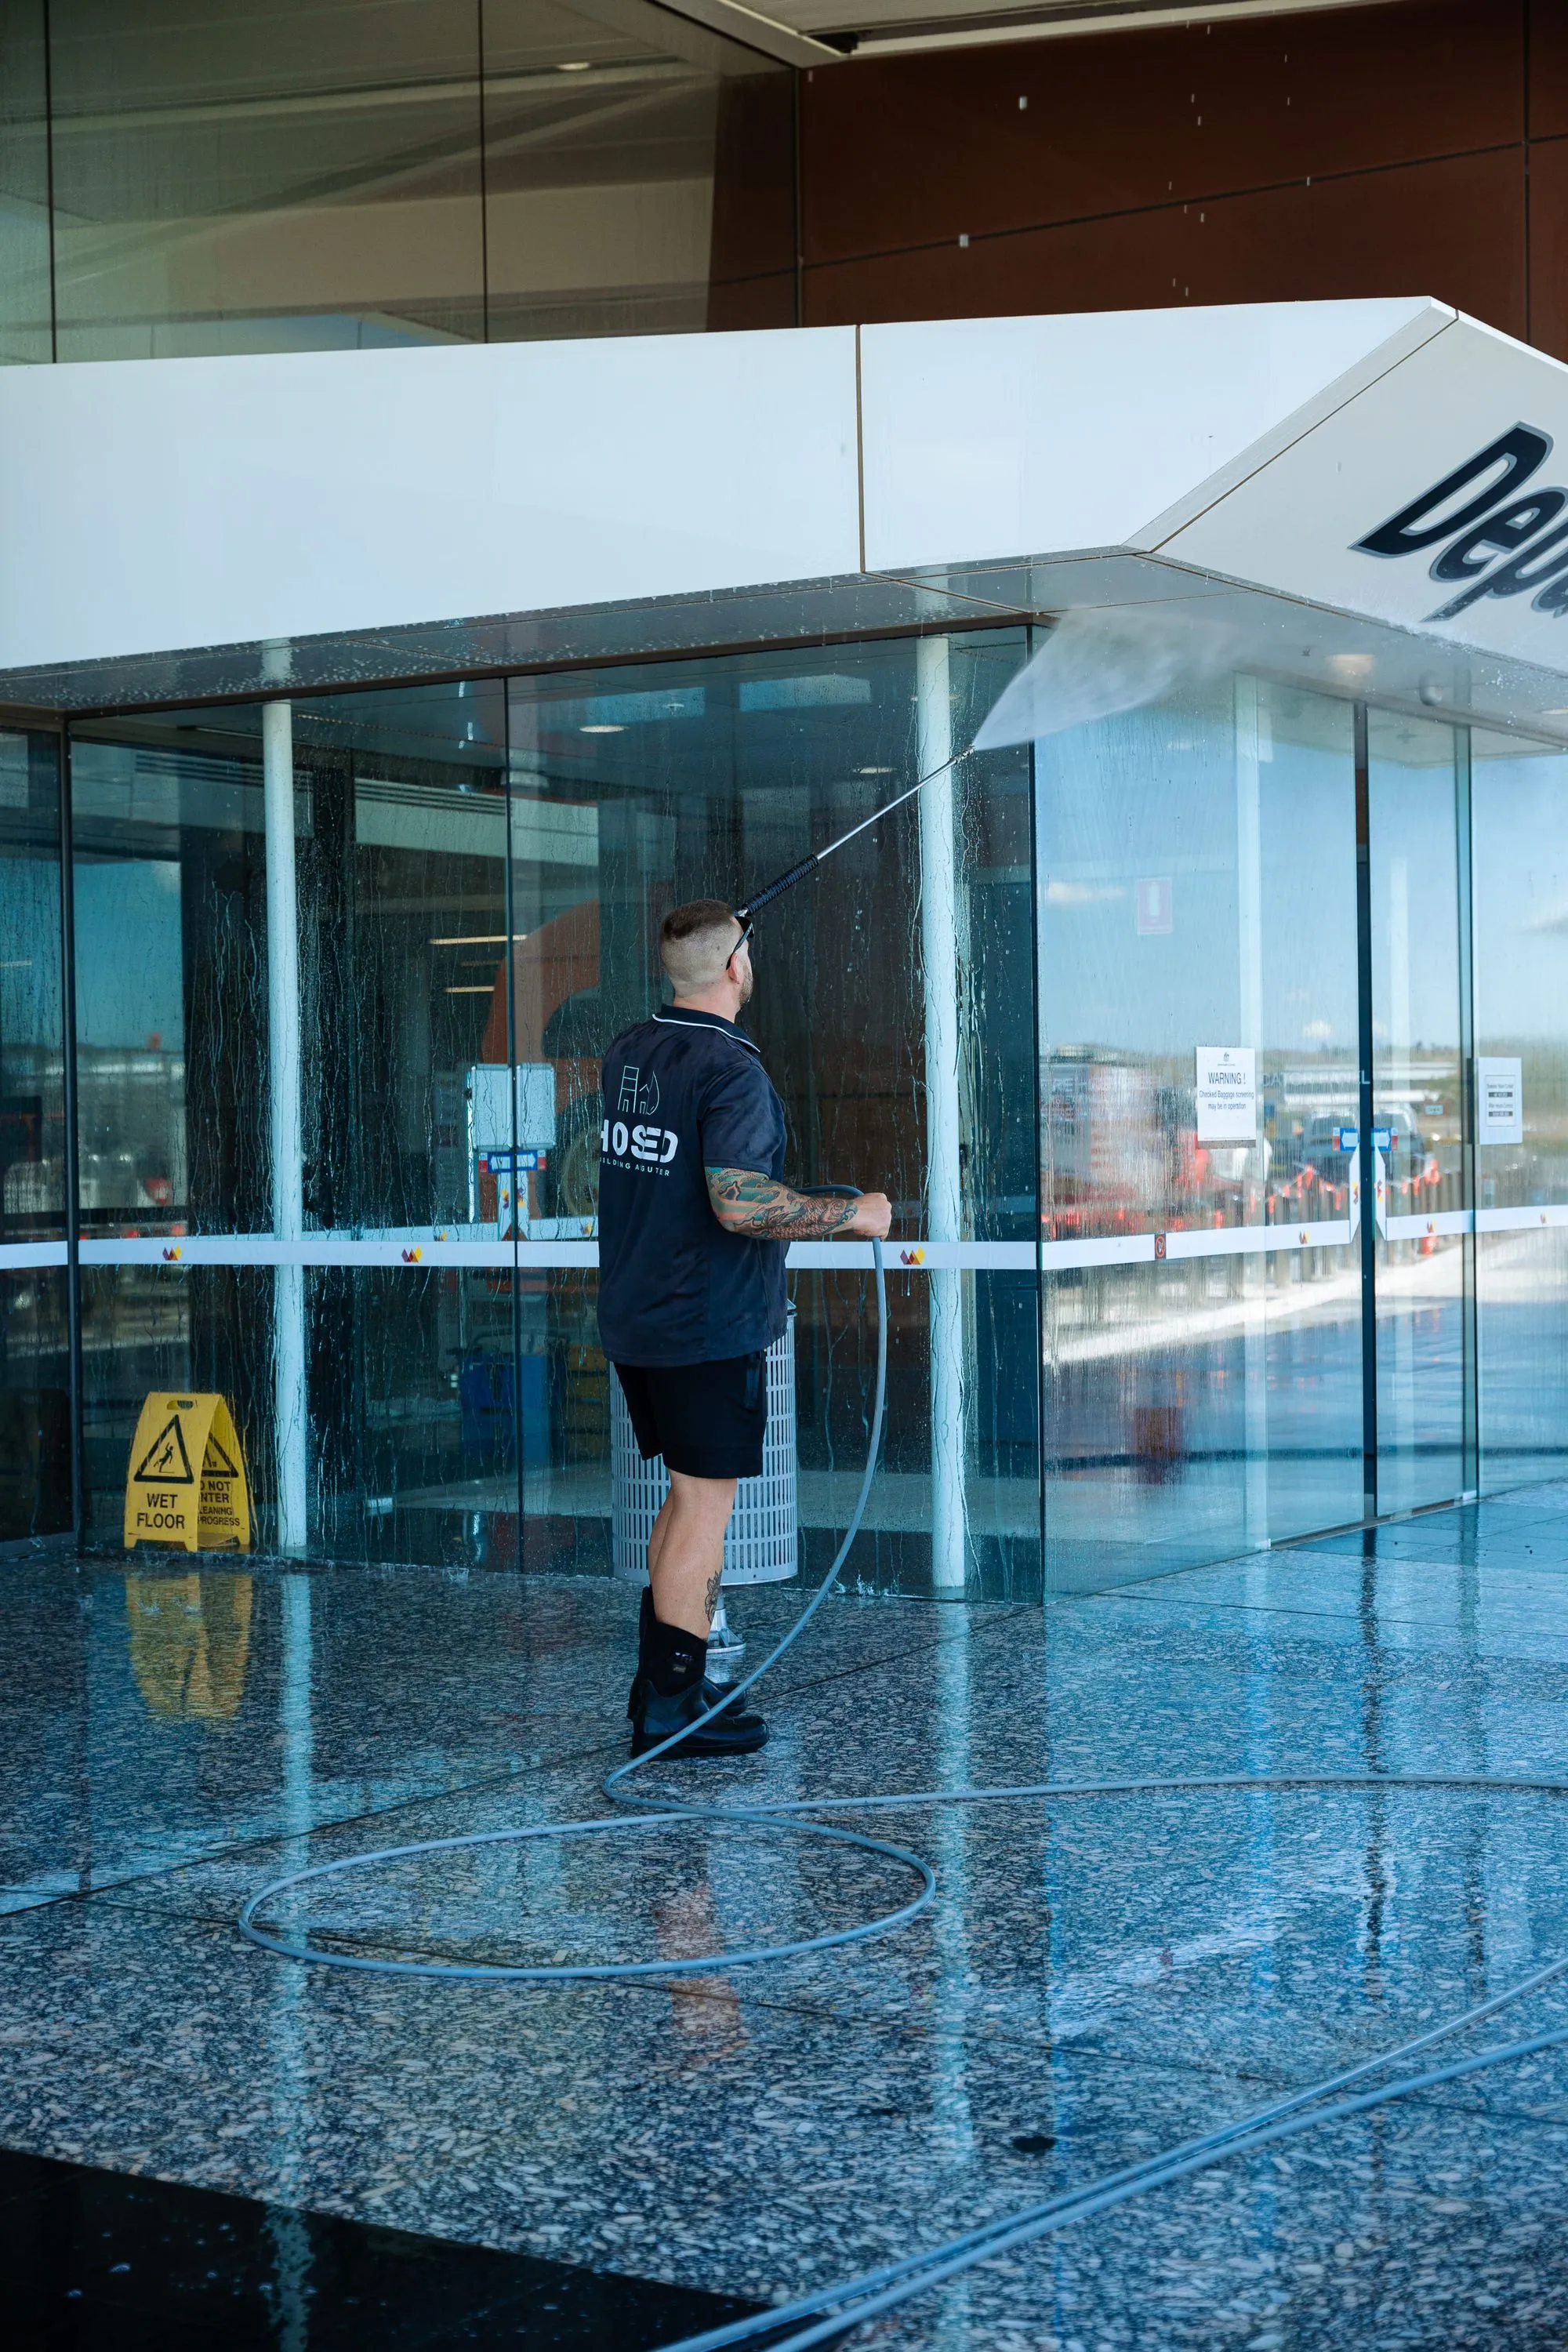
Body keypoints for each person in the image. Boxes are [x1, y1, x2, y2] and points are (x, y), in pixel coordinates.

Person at [597, 899, 892, 1757]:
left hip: (640, 1315)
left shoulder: (630, 1050)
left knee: (684, 1500)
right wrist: (851, 1216)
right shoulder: (729, 1071)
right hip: (703, 1324)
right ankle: (672, 1706)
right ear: (736, 968)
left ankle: (664, 1684)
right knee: (702, 1508)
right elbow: (735, 1200)